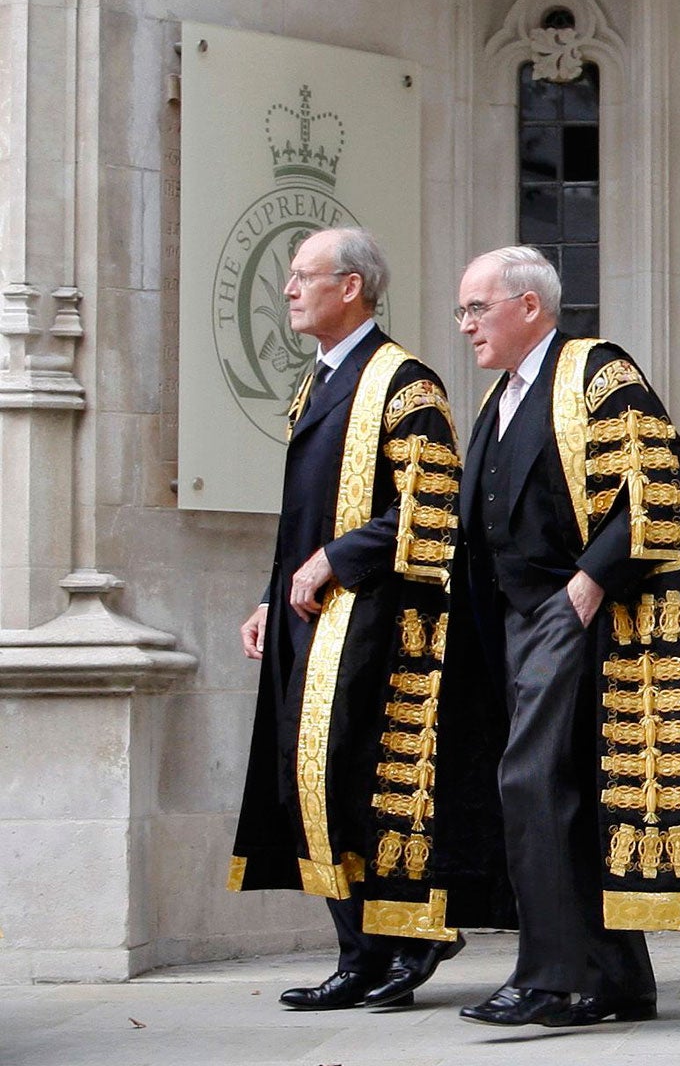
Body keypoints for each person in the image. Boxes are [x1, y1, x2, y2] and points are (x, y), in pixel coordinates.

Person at [453, 246, 680, 1028]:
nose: (465, 326)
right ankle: (618, 980)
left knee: (533, 785)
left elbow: (654, 488)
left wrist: (589, 582)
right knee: (570, 794)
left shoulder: (597, 373)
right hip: (519, 620)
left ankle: (552, 980)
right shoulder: (503, 397)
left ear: (529, 306)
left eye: (476, 308)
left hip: (577, 615)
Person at [229, 227, 482, 1011]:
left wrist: (337, 559)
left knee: (368, 778)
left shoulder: (405, 384)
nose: (290, 290)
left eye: (305, 276)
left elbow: (434, 504)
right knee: (314, 781)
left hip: (380, 622)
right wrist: (276, 593)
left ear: (351, 288)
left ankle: (414, 936)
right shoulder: (320, 381)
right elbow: (303, 512)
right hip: (316, 616)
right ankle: (360, 953)